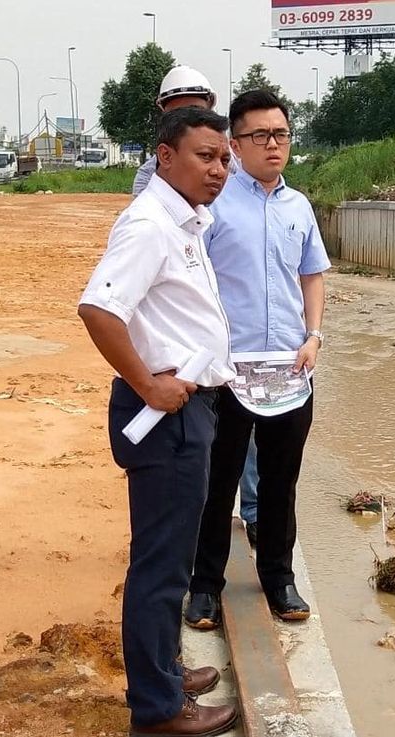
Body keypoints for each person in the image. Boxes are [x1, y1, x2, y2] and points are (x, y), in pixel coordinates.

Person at [78, 106, 238, 737]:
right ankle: (158, 709)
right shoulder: (149, 224)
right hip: (164, 414)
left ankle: (163, 671)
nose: (219, 169)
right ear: (165, 157)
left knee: (170, 554)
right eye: (206, 156)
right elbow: (99, 308)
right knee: (160, 565)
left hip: (186, 408)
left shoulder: (186, 221)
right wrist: (149, 382)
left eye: (224, 158)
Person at [185, 89, 329, 629]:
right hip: (226, 371)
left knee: (279, 480)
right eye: (260, 136)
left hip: (289, 370)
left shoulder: (299, 207)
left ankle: (279, 579)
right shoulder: (213, 205)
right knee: (216, 481)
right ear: (235, 143)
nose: (273, 145)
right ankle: (204, 586)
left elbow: (311, 274)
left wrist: (313, 336)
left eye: (282, 134)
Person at [132, 65, 261, 543]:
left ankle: (251, 513)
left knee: (240, 429)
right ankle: (195, 527)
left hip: (224, 319)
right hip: (182, 334)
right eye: (178, 105)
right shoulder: (152, 183)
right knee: (195, 442)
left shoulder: (227, 166)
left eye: (197, 104)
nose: (217, 170)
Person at [132, 65, 218, 197]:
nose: (187, 121)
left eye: (195, 111)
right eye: (177, 114)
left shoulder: (239, 170)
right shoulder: (149, 177)